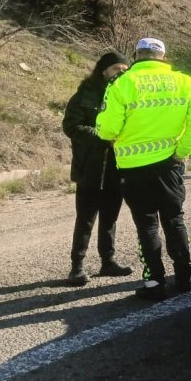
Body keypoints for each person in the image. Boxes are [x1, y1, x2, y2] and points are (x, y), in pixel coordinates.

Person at [96, 38, 191, 301]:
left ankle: (154, 282)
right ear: (163, 56)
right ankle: (183, 275)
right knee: (174, 220)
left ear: (137, 56)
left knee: (146, 225)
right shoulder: (185, 82)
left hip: (133, 167)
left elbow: (108, 129)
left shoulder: (122, 83)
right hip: (170, 164)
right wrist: (181, 151)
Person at [61, 52, 133, 285]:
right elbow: (71, 126)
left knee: (110, 218)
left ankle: (108, 262)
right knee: (85, 219)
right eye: (115, 69)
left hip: (117, 166)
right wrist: (103, 137)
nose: (120, 73)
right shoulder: (85, 93)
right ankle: (77, 267)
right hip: (89, 167)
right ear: (103, 70)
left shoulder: (128, 94)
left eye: (124, 69)